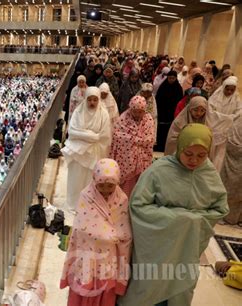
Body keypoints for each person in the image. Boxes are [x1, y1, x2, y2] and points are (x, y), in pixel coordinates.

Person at [119, 124, 229, 306]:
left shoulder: (208, 173)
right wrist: (178, 219)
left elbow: (220, 209)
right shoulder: (160, 170)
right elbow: (138, 205)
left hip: (187, 247)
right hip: (157, 247)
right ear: (179, 148)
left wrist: (193, 221)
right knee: (150, 283)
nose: (194, 161)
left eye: (201, 155)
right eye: (188, 154)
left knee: (181, 287)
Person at [60, 159, 132, 306]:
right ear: (94, 180)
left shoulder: (122, 199)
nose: (105, 190)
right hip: (87, 256)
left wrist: (112, 237)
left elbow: (125, 232)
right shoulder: (86, 196)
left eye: (110, 185)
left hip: (109, 259)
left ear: (117, 182)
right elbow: (82, 228)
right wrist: (110, 236)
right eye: (101, 185)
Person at [62, 87, 111, 213]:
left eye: (95, 100)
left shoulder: (103, 114)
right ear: (86, 99)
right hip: (78, 152)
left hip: (94, 152)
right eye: (90, 100)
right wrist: (91, 136)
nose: (92, 103)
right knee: (76, 179)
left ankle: (89, 204)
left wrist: (84, 135)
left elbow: (103, 136)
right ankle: (74, 204)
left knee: (90, 180)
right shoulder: (78, 112)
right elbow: (72, 132)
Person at [165, 96, 233, 171]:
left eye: (202, 110)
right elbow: (172, 140)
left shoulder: (207, 120)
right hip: (182, 156)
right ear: (190, 109)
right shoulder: (179, 122)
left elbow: (223, 120)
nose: (198, 113)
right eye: (195, 110)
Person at [110, 96, 155, 197]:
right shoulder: (123, 118)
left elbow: (149, 139)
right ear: (130, 108)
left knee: (141, 182)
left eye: (140, 112)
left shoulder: (148, 119)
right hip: (127, 158)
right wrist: (137, 140)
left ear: (144, 110)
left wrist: (132, 140)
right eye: (135, 111)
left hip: (143, 158)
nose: (137, 114)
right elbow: (117, 135)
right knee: (127, 185)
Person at [220, 116, 242, 225]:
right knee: (231, 187)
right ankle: (226, 215)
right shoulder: (239, 121)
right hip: (235, 161)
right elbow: (233, 142)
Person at [155, 70, 184, 152]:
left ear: (176, 78)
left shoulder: (178, 88)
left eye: (173, 78)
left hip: (172, 114)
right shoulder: (163, 87)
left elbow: (179, 102)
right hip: (162, 113)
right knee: (161, 131)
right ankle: (160, 145)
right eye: (170, 78)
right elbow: (158, 99)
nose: (171, 80)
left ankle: (167, 147)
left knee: (170, 131)